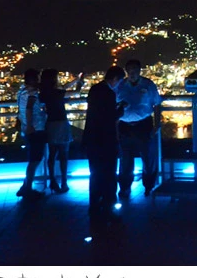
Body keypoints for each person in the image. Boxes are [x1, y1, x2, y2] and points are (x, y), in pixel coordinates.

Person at [82, 66, 127, 223]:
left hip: (92, 139)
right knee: (109, 174)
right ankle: (110, 206)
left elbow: (97, 113)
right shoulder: (109, 93)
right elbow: (109, 118)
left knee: (95, 173)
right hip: (106, 140)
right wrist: (120, 110)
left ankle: (94, 205)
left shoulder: (94, 89)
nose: (119, 84)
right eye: (120, 81)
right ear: (115, 78)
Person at [116, 59, 163, 198]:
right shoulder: (120, 86)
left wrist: (157, 124)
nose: (132, 73)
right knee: (125, 160)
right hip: (124, 126)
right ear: (126, 71)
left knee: (148, 158)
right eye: (129, 70)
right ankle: (124, 188)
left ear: (139, 70)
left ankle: (149, 186)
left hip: (144, 125)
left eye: (135, 70)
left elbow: (157, 104)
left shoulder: (148, 85)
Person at [39, 69, 85, 194]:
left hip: (50, 124)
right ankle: (64, 182)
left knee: (52, 155)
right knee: (64, 155)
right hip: (61, 123)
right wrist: (80, 83)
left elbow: (64, 88)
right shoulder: (57, 93)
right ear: (54, 79)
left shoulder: (44, 92)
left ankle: (52, 181)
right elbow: (75, 92)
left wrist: (75, 80)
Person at [15, 68, 47, 199]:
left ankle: (25, 186)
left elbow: (22, 109)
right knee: (35, 160)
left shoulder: (21, 91)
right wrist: (30, 125)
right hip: (35, 129)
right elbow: (29, 108)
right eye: (37, 78)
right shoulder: (32, 92)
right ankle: (28, 189)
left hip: (27, 129)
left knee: (32, 159)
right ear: (33, 79)